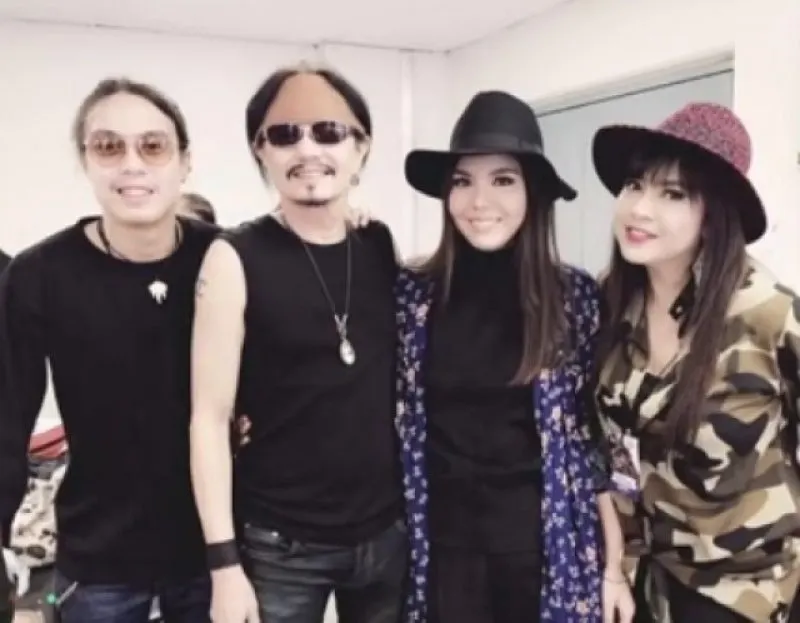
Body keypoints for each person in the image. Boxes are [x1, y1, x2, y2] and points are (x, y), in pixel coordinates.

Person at [395, 90, 634, 623]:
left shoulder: (574, 299)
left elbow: (598, 442)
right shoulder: (411, 294)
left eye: (503, 180)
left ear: (533, 192)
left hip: (544, 546)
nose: (479, 201)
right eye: (462, 181)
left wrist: (614, 567)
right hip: (439, 547)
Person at [190, 64, 406, 623]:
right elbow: (209, 419)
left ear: (362, 148)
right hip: (281, 544)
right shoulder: (234, 257)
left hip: (386, 532)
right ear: (260, 151)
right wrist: (223, 564)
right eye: (285, 135)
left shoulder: (377, 243)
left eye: (329, 132)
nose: (307, 149)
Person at [0, 77, 216, 623]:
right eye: (108, 146)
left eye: (153, 146)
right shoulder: (39, 274)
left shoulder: (223, 258)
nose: (132, 164)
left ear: (185, 161)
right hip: (100, 559)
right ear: (86, 160)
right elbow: (8, 418)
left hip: (213, 552)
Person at [592, 101, 800, 622]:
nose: (639, 209)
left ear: (714, 215)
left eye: (673, 193)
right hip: (645, 579)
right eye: (634, 185)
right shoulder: (609, 304)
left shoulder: (767, 315)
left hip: (743, 591)